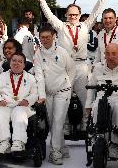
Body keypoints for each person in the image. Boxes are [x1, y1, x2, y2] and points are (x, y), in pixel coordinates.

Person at [32, 0, 110, 129]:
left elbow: (96, 11)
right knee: (64, 98)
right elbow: (48, 15)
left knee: (86, 98)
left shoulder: (86, 26)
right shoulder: (61, 27)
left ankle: (86, 125)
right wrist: (42, 0)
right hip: (64, 67)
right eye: (70, 14)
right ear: (66, 15)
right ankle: (65, 126)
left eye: (76, 14)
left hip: (81, 66)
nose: (73, 16)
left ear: (80, 15)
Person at [34, 26, 75, 165]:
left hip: (63, 91)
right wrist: (41, 95)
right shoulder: (38, 54)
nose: (45, 40)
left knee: (58, 121)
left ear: (53, 36)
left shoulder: (62, 52)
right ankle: (62, 147)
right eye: (42, 37)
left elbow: (71, 70)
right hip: (47, 94)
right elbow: (39, 76)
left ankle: (55, 152)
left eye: (48, 37)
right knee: (52, 123)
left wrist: (68, 86)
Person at [0, 52, 38, 154]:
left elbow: (35, 94)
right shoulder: (2, 76)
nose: (16, 63)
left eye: (20, 62)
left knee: (19, 111)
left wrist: (27, 100)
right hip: (6, 105)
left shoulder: (30, 78)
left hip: (23, 107)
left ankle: (18, 142)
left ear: (24, 65)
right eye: (14, 61)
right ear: (10, 62)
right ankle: (4, 142)